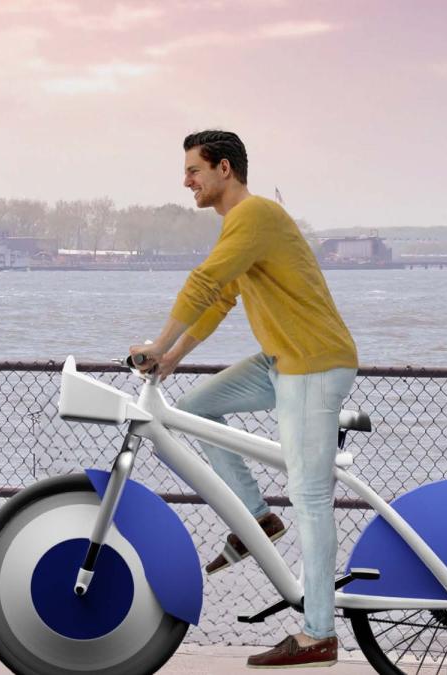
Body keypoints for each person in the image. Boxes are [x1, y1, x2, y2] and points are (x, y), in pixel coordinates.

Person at [129, 130, 358, 669]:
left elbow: (205, 282)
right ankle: (257, 516)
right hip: (281, 362)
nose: (186, 181)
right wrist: (174, 357)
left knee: (309, 497)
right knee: (196, 408)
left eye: (194, 171)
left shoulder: (254, 216)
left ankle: (319, 633)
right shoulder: (241, 225)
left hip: (314, 363)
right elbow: (222, 297)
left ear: (224, 170)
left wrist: (157, 343)